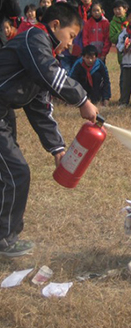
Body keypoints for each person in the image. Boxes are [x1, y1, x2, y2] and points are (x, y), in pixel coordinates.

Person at [0, 3, 98, 257]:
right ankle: (4, 240)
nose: (71, 44)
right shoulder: (34, 38)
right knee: (15, 172)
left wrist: (57, 150)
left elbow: (40, 108)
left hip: (4, 111)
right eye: (71, 36)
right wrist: (82, 100)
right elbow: (49, 74)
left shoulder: (44, 54)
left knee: (7, 172)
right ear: (55, 26)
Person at [109, 0, 129, 99]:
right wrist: (121, 33)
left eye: (119, 9)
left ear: (125, 10)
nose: (117, 11)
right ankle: (123, 98)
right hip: (122, 55)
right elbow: (112, 38)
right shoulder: (113, 23)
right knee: (123, 78)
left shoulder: (130, 19)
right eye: (115, 9)